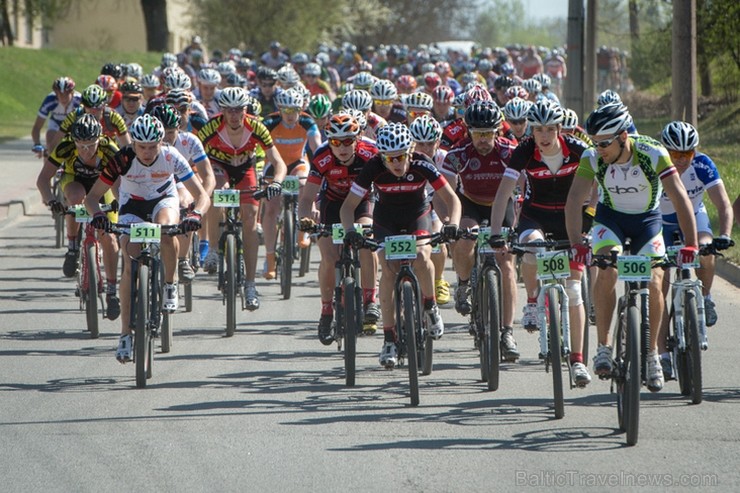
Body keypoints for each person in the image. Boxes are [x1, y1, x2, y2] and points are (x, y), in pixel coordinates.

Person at [564, 103, 698, 392]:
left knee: (655, 278)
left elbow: (678, 196)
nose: (599, 149)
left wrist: (692, 243)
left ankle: (651, 355)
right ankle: (603, 345)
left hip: (647, 221)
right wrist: (576, 242)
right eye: (595, 142)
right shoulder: (592, 157)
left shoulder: (653, 153)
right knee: (606, 268)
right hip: (610, 220)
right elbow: (574, 200)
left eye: (604, 143)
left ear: (623, 135)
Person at [84, 114, 211, 362]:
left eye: (153, 146)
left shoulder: (172, 157)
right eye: (142, 147)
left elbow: (202, 194)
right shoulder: (121, 159)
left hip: (163, 200)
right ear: (133, 144)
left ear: (162, 142)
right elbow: (91, 197)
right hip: (131, 206)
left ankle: (170, 285)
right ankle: (125, 334)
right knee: (130, 261)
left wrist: (196, 214)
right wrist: (97, 215)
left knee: (166, 229)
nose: (148, 152)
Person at [340, 122, 461, 368]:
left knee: (422, 256)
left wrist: (453, 224)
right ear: (382, 157)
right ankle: (389, 338)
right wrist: (350, 231)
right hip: (386, 220)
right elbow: (347, 207)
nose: (396, 163)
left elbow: (452, 199)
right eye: (390, 158)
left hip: (417, 214)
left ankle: (430, 306)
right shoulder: (373, 167)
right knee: (388, 267)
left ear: (410, 151)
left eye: (401, 157)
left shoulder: (422, 162)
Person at [489, 100, 592, 385]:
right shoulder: (523, 152)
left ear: (559, 129)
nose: (543, 136)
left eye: (549, 129)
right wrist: (496, 231)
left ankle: (578, 361)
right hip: (535, 217)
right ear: (531, 131)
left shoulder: (580, 151)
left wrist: (591, 221)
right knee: (533, 250)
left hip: (572, 220)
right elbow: (503, 194)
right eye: (538, 130)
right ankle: (533, 301)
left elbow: (599, 189)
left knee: (573, 290)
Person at [443, 101, 520, 361]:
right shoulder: (458, 153)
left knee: (507, 265)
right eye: (478, 134)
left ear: (498, 131)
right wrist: (449, 221)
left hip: (504, 204)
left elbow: (524, 191)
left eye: (488, 133)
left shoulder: (511, 151)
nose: (484, 140)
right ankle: (464, 283)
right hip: (471, 204)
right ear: (468, 132)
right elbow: (449, 193)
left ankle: (507, 331)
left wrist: (520, 222)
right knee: (465, 239)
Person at [198, 87, 287, 310]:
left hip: (245, 168)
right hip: (218, 166)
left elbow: (278, 162)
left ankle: (250, 284)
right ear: (223, 111)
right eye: (229, 111)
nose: (234, 116)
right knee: (217, 192)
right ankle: (211, 251)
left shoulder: (257, 127)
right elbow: (193, 153)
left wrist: (276, 182)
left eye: (239, 110)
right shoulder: (211, 127)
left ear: (245, 110)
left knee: (250, 218)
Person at [656, 121, 734, 373]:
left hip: (695, 216)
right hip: (661, 223)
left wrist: (725, 234)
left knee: (707, 249)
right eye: (675, 154)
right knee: (658, 283)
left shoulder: (702, 164)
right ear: (665, 151)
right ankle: (663, 354)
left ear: (695, 152)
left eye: (687, 154)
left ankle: (707, 297)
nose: (680, 160)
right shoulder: (655, 164)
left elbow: (723, 203)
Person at [298, 114, 380, 343]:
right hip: (332, 204)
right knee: (329, 256)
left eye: (347, 141)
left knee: (366, 242)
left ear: (358, 138)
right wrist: (305, 220)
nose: (342, 148)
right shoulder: (322, 157)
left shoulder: (371, 153)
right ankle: (326, 312)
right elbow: (306, 199)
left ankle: (370, 299)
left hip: (363, 203)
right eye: (336, 142)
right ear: (329, 141)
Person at [35, 114, 122, 319]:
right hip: (75, 180)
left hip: (104, 184)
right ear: (73, 141)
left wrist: (120, 202)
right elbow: (43, 179)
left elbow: (122, 181)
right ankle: (73, 246)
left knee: (109, 237)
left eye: (90, 145)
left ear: (99, 139)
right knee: (75, 199)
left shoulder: (110, 149)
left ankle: (111, 290)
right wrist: (51, 200)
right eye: (80, 145)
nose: (85, 150)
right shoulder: (65, 146)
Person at [261, 88, 321, 279]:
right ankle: (270, 258)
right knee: (270, 209)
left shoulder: (307, 121)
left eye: (294, 110)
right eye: (285, 110)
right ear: (279, 109)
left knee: (306, 182)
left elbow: (317, 147)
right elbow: (254, 146)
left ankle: (303, 226)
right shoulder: (269, 122)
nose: (290, 115)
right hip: (274, 166)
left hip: (297, 163)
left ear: (300, 108)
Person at [152, 104, 216, 281]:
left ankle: (182, 260)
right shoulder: (147, 145)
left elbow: (208, 175)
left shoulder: (190, 141)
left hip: (181, 180)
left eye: (170, 132)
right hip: (155, 182)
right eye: (162, 132)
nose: (165, 137)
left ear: (179, 129)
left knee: (183, 203)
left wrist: (202, 199)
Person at [409, 114, 451, 305]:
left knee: (436, 237)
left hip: (436, 200)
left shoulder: (444, 158)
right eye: (420, 144)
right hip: (414, 202)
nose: (426, 148)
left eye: (430, 143)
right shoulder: (405, 158)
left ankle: (439, 279)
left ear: (438, 142)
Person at [60, 84, 131, 148]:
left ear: (104, 106)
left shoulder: (113, 117)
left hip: (106, 155)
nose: (93, 111)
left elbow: (127, 146)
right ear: (83, 105)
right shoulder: (74, 116)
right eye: (88, 106)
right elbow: (55, 144)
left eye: (98, 107)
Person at [31, 77, 81, 158]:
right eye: (60, 94)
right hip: (56, 123)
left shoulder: (79, 101)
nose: (63, 98)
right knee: (50, 148)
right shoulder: (50, 100)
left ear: (72, 92)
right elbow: (37, 127)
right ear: (56, 93)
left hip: (73, 125)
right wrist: (37, 144)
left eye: (66, 94)